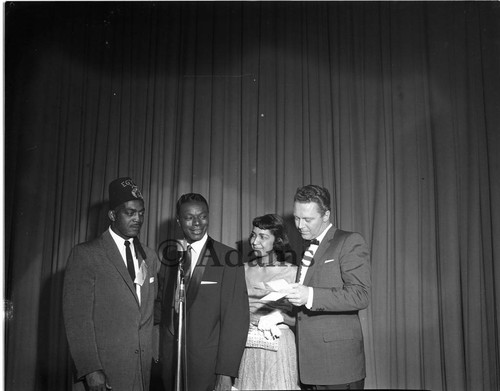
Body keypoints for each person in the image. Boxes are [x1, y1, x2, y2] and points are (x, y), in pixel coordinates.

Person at [63, 177, 160, 391]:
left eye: (141, 212)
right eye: (130, 212)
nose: (138, 219)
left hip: (141, 372)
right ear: (113, 215)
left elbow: (150, 311)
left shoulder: (150, 257)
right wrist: (90, 370)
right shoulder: (86, 254)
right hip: (103, 374)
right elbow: (78, 321)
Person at [155, 193, 249, 391]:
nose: (197, 223)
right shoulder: (170, 256)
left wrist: (226, 373)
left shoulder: (228, 258)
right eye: (189, 217)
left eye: (203, 216)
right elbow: (161, 308)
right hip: (169, 366)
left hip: (207, 368)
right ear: (179, 221)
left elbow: (235, 320)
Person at [285, 185, 371, 390]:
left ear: (326, 215)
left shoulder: (349, 241)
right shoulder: (307, 247)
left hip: (338, 366)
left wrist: (310, 295)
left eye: (307, 219)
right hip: (308, 365)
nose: (299, 225)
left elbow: (361, 295)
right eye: (297, 218)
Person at [234, 214, 300, 390]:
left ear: (277, 240)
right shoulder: (243, 271)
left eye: (263, 237)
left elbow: (301, 321)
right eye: (253, 235)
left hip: (279, 346)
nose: (255, 242)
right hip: (248, 345)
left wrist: (280, 317)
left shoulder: (294, 273)